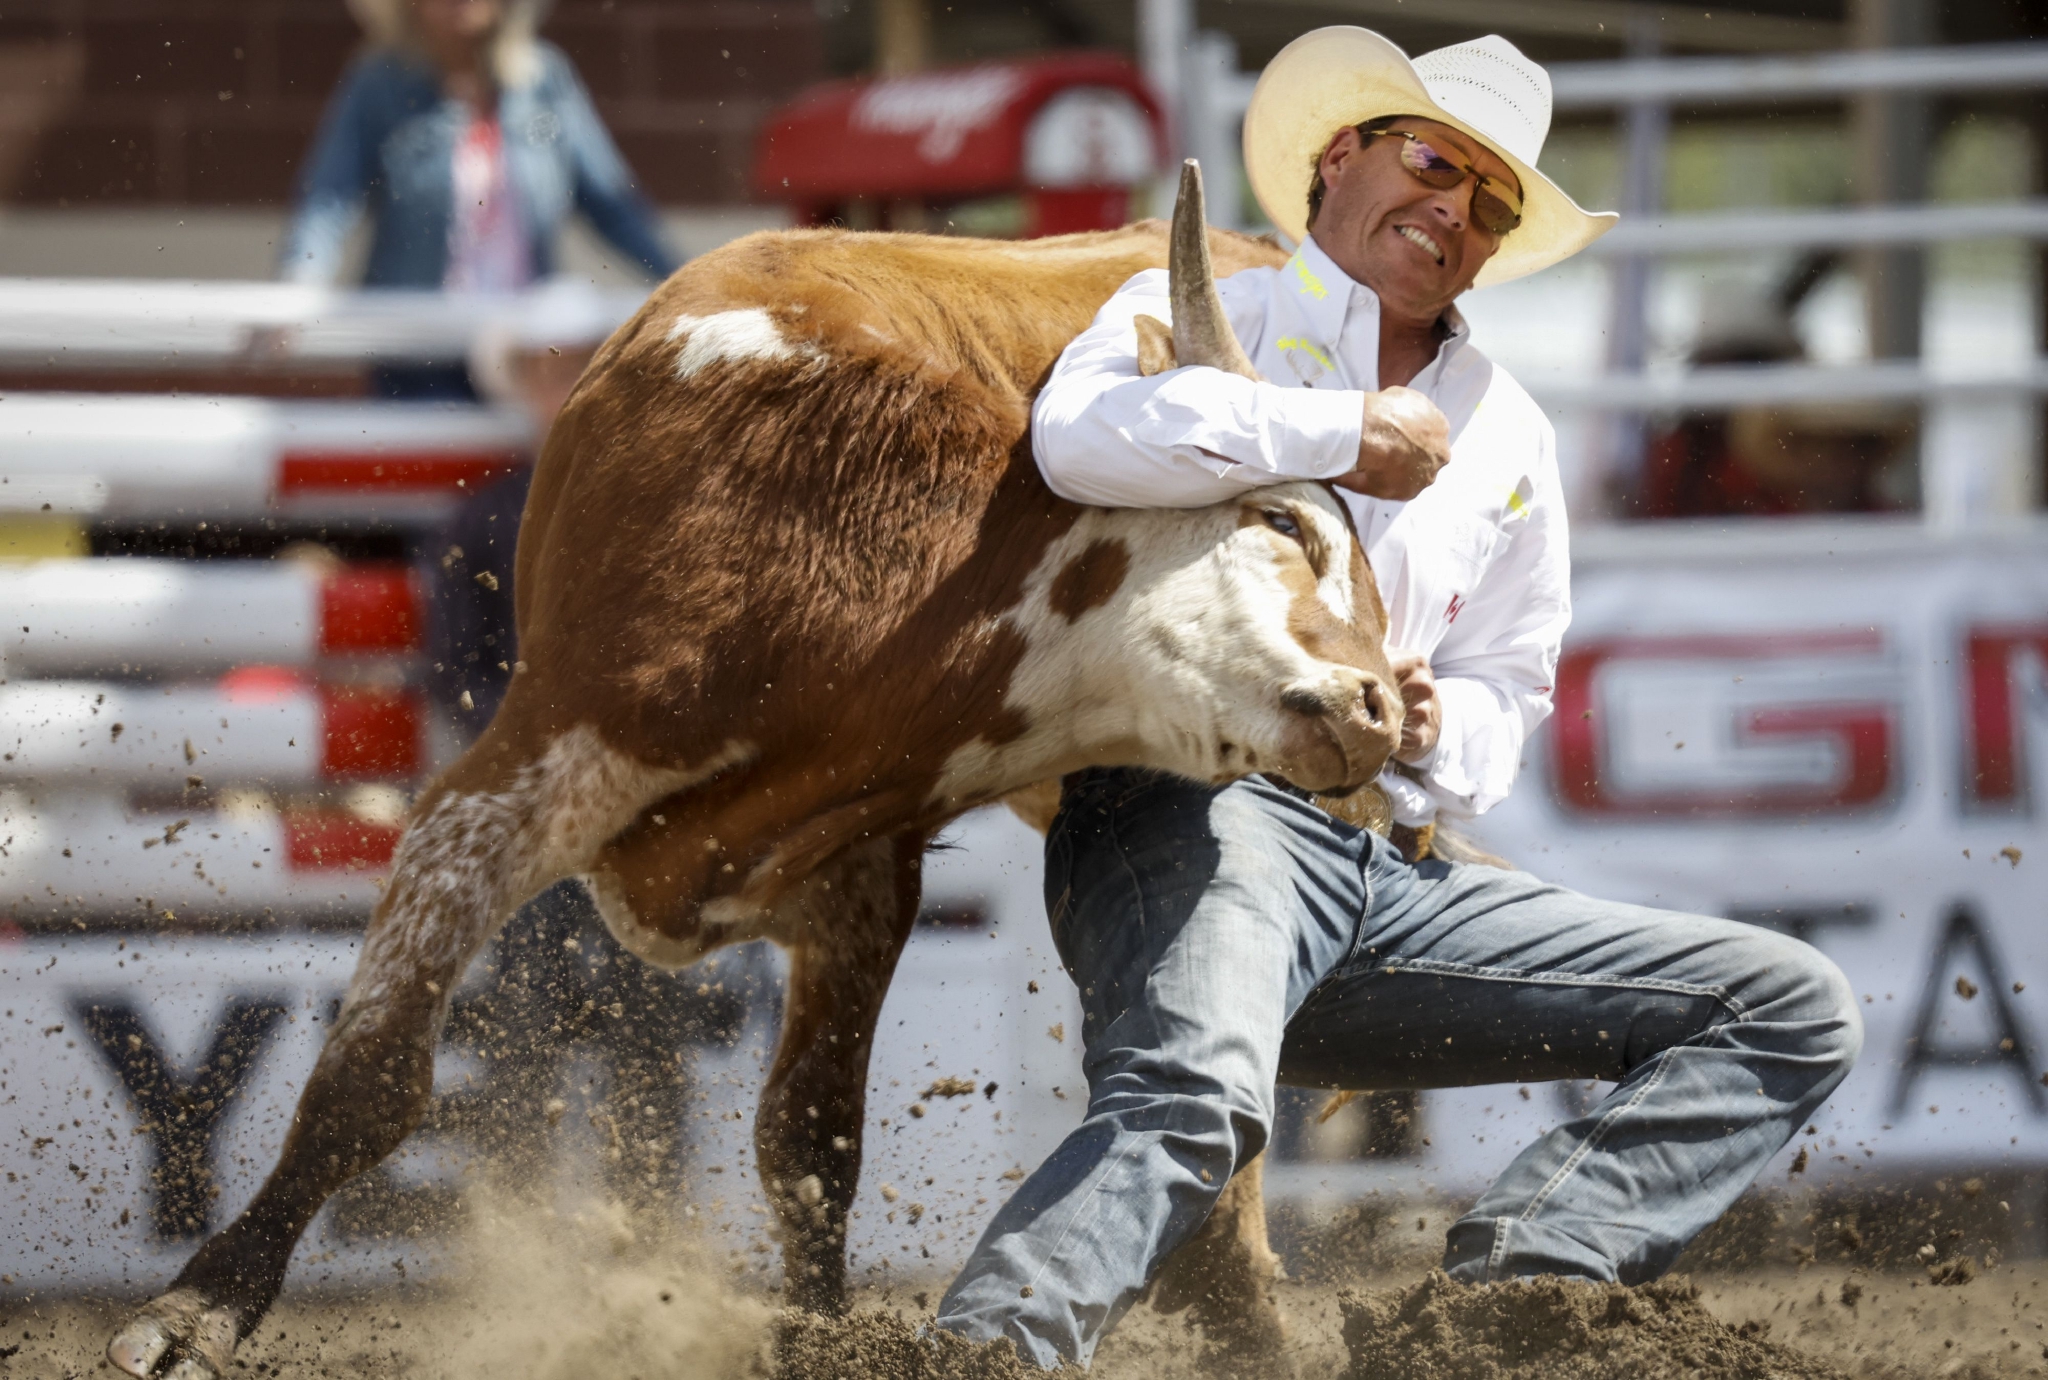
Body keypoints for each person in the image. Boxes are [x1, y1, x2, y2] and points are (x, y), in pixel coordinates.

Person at [934, 28, 1864, 1369]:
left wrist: (1435, 727)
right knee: (1195, 1097)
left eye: (1490, 204)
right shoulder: (1202, 309)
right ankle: (989, 1353)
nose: (1453, 210)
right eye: (1432, 161)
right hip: (1195, 812)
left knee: (1790, 1005)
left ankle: (1508, 1310)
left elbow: (1507, 690)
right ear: (1339, 157)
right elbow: (1077, 442)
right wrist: (1339, 434)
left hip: (1392, 861)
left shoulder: (1509, 427)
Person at [279, 0, 676, 398]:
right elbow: (328, 200)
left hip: (524, 352)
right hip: (420, 351)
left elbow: (613, 205)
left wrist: (682, 281)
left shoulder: (544, 79)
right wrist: (301, 284)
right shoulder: (380, 82)